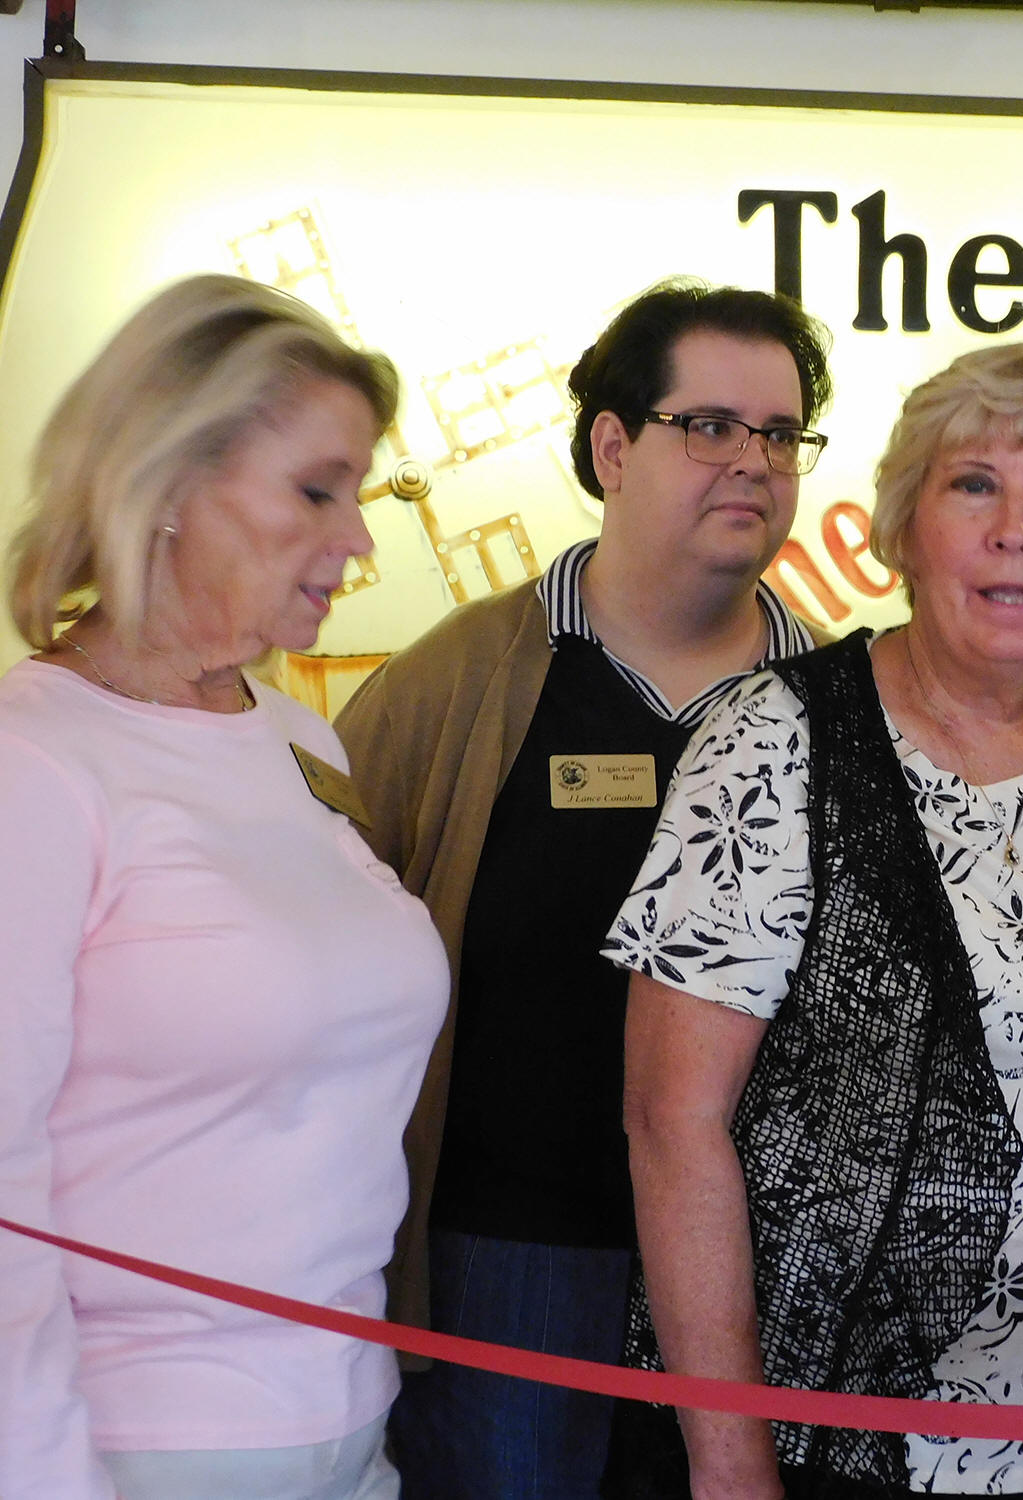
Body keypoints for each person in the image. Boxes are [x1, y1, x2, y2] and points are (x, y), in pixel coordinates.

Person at [605, 341, 1023, 1499]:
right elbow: (671, 1124)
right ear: (905, 528)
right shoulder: (772, 742)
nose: (1015, 532)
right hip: (820, 1450)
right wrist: (730, 1457)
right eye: (973, 486)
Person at [335, 280, 832, 1499]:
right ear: (611, 447)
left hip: (762, 1278)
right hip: (508, 1274)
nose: (752, 462)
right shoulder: (454, 686)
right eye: (708, 426)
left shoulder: (845, 708)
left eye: (779, 435)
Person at [0, 275, 449, 1500]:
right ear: (166, 481)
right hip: (136, 1450)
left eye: (358, 492)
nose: (359, 539)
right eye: (315, 490)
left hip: (352, 1428)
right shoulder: (36, 765)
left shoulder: (300, 739)